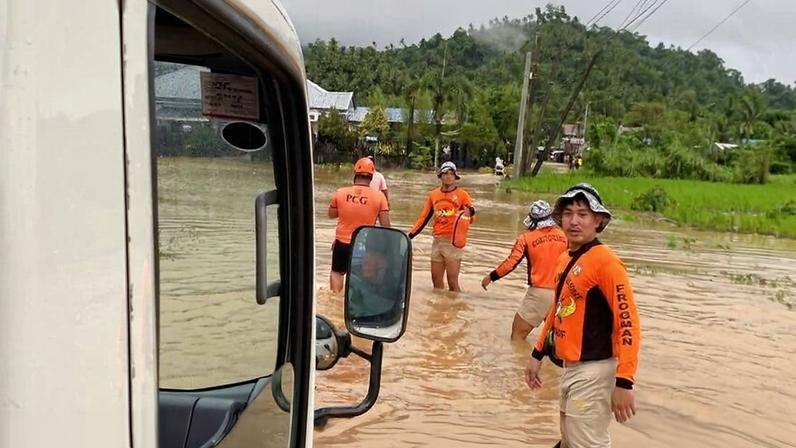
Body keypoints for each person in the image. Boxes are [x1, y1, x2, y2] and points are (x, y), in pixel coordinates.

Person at [524, 183, 641, 448]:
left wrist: (625, 382)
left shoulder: (607, 263)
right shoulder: (566, 258)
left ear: (598, 220)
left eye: (582, 214)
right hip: (571, 368)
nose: (574, 221)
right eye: (568, 213)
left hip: (595, 370)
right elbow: (557, 310)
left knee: (586, 443)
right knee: (569, 439)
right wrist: (536, 354)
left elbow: (629, 323)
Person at [481, 200, 567, 341]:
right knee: (556, 341)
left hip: (539, 294)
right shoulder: (565, 236)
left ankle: (520, 362)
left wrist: (491, 277)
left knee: (517, 337)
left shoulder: (525, 238)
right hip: (563, 292)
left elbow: (511, 263)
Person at [408, 161, 474, 292]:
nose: (448, 176)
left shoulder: (463, 195)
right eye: (445, 173)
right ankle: (439, 309)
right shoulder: (433, 195)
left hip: (453, 242)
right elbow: (423, 218)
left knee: (452, 281)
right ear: (440, 176)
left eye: (451, 173)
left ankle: (455, 308)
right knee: (436, 281)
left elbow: (471, 218)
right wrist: (409, 236)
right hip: (437, 240)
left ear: (455, 176)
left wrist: (469, 213)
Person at [328, 158, 390, 293]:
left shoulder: (340, 193)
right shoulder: (380, 197)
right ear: (372, 177)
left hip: (341, 243)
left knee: (337, 273)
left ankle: (335, 299)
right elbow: (386, 226)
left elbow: (331, 214)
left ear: (355, 173)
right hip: (364, 245)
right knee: (360, 278)